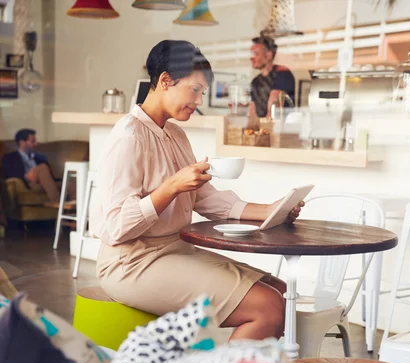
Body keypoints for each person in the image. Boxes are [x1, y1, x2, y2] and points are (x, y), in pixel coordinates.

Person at [93, 40, 303, 341]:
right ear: (165, 80)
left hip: (174, 250)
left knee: (280, 291)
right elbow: (115, 228)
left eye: (202, 92)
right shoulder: (129, 136)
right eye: (194, 90)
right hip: (132, 262)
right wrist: (172, 186)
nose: (198, 100)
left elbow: (206, 199)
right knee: (268, 307)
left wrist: (271, 210)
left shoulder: (175, 134)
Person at [2, 129, 59, 202]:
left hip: (44, 183)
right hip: (28, 184)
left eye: (36, 141)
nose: (36, 144)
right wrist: (26, 176)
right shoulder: (10, 157)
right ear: (22, 143)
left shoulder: (40, 157)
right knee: (42, 167)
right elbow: (7, 173)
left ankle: (76, 211)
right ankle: (58, 204)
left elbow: (50, 176)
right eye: (33, 142)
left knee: (70, 183)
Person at [249, 35, 296, 118]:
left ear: (269, 56)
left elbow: (273, 112)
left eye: (256, 54)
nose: (251, 58)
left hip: (281, 128)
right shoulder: (255, 81)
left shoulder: (282, 74)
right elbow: (252, 113)